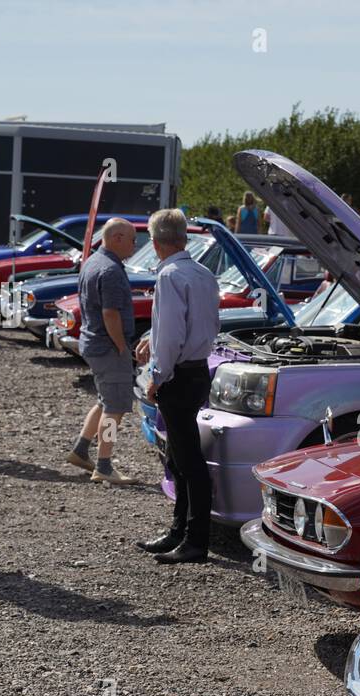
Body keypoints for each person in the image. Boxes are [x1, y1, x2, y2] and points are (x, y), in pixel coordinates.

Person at [136, 208, 220, 564]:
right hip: (198, 369)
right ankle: (179, 531)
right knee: (179, 454)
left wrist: (156, 376)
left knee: (187, 460)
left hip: (178, 374)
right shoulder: (203, 273)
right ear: (183, 238)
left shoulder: (169, 276)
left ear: (156, 244)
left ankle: (196, 539)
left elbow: (171, 334)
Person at [65, 218, 142, 486]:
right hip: (108, 347)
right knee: (115, 407)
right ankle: (104, 466)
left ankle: (80, 450)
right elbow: (110, 314)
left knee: (104, 400)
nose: (135, 244)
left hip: (93, 343)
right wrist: (122, 347)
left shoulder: (92, 262)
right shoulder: (110, 270)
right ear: (117, 238)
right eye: (132, 239)